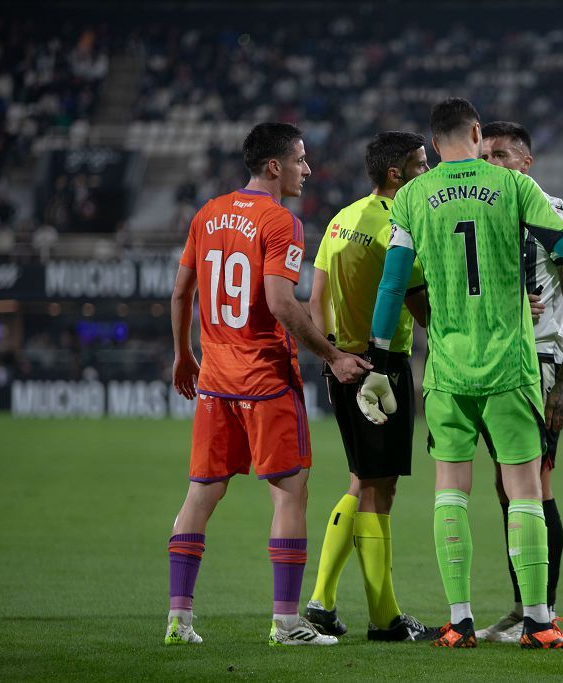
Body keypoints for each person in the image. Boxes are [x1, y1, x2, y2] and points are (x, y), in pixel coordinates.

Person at [357, 97, 563, 649]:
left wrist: (377, 360)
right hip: (511, 364)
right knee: (524, 492)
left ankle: (459, 620)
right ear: (474, 130)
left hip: (446, 370)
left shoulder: (414, 196)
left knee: (450, 493)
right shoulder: (512, 189)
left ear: (434, 142)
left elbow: (393, 284)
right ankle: (538, 620)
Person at [165, 123, 371, 647]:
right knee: (290, 492)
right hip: (264, 379)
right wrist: (332, 354)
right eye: (300, 159)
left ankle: (178, 620)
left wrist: (183, 355)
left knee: (201, 494)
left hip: (214, 380)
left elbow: (180, 293)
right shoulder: (282, 222)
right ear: (274, 166)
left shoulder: (208, 212)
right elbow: (282, 303)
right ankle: (285, 623)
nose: (307, 168)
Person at [303, 131, 439, 642]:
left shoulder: (341, 219)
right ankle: (385, 619)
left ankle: (321, 601)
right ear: (396, 174)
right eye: (421, 165)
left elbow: (315, 296)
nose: (428, 173)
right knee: (380, 490)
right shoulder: (397, 227)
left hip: (341, 362)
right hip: (382, 367)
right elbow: (422, 309)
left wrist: (331, 357)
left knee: (360, 480)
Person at [474, 121, 563, 644]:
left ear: (527, 162)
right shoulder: (483, 213)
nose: (492, 163)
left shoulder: (554, 215)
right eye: (485, 155)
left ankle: (540, 611)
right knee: (507, 488)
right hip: (492, 362)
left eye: (501, 154)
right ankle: (525, 606)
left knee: (534, 485)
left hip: (538, 361)